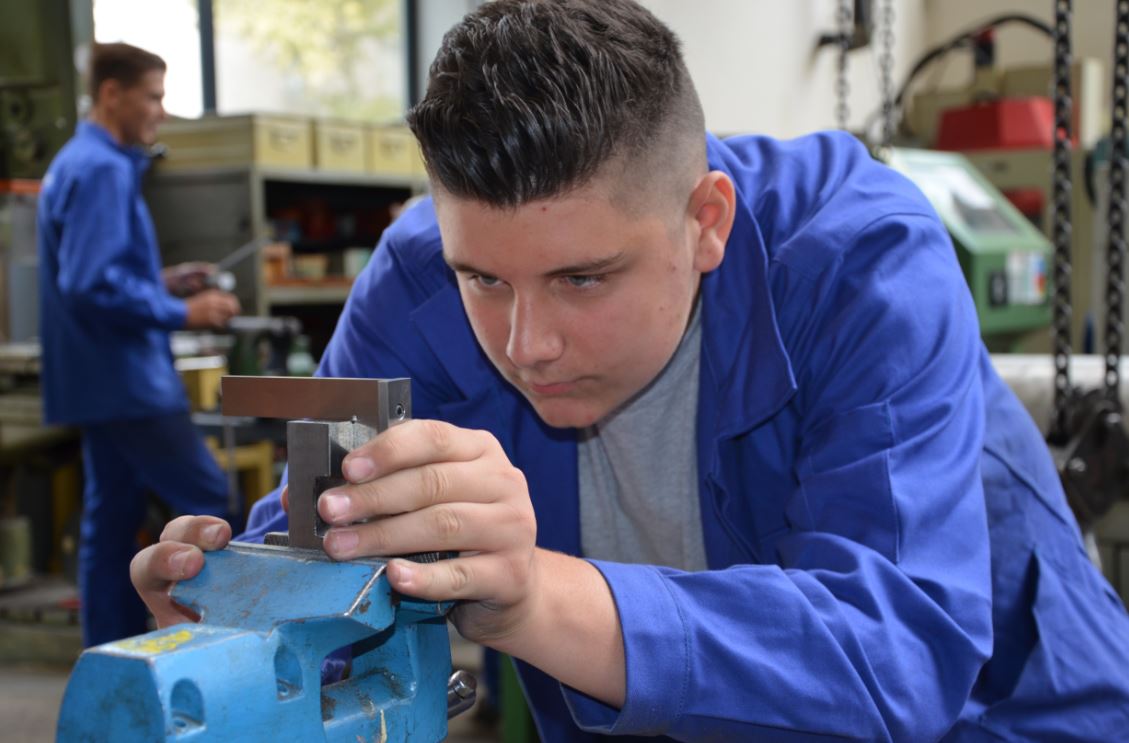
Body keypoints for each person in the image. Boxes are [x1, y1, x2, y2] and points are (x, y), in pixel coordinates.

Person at [131, 2, 1129, 739]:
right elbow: (326, 549)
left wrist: (532, 600)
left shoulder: (861, 266)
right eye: (486, 278)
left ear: (707, 221)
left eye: (582, 278)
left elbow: (893, 657)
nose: (526, 343)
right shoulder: (420, 279)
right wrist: (233, 599)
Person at [38, 42, 241, 647]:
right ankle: (233, 643)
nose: (159, 110)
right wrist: (184, 310)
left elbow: (97, 273)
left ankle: (112, 654)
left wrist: (164, 281)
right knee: (211, 503)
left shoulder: (79, 161)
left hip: (97, 382)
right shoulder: (101, 168)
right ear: (111, 94)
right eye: (152, 96)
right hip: (128, 382)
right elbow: (90, 283)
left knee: (111, 523)